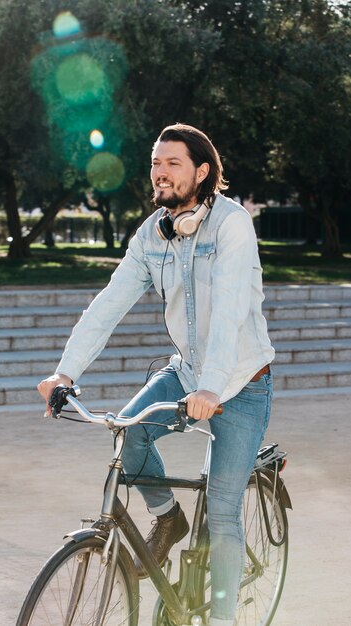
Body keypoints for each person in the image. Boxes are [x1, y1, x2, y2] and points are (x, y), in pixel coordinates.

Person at [38, 123, 275, 626]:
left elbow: (232, 310)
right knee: (130, 432)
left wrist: (213, 387)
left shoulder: (232, 225)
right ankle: (168, 518)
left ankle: (223, 619)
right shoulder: (153, 233)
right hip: (189, 373)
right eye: (155, 162)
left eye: (173, 163)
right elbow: (109, 304)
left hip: (242, 382)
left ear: (202, 172)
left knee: (225, 509)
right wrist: (64, 372)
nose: (160, 172)